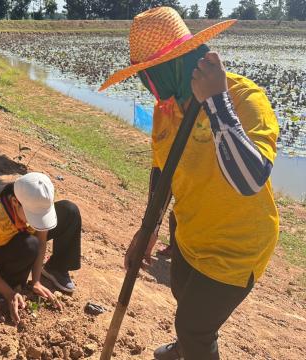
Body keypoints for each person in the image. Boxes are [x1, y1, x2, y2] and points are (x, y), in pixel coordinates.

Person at [100, 7, 279, 360]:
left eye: (149, 73)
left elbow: (250, 179)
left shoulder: (242, 98)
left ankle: (191, 346)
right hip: (190, 233)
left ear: (177, 63)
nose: (147, 83)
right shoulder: (166, 109)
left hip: (237, 245)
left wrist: (216, 102)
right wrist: (147, 229)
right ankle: (184, 349)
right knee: (182, 293)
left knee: (195, 325)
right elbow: (161, 174)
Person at [0, 172, 82, 324]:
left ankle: (55, 268)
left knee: (70, 211)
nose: (36, 220)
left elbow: (41, 240)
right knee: (29, 245)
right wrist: (9, 294)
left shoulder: (36, 201)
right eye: (32, 215)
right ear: (15, 202)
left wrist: (36, 281)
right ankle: (8, 282)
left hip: (25, 238)